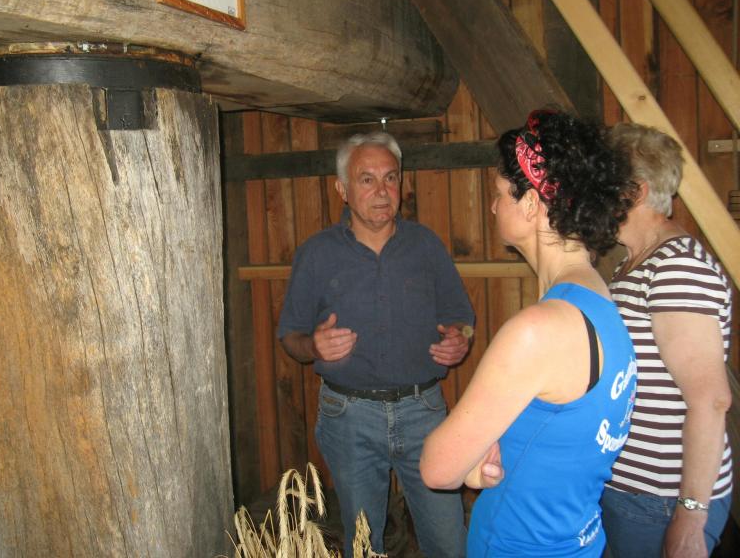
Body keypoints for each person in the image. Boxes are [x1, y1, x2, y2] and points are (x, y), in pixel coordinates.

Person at [420, 110, 638, 557]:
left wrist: (469, 461)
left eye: (500, 193)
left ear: (532, 205)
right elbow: (556, 436)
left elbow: (437, 469)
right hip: (577, 541)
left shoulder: (538, 332)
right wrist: (480, 459)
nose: (493, 206)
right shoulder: (600, 301)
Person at [277, 131, 475, 557]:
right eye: (367, 180)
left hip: (424, 412)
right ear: (342, 189)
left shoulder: (426, 245)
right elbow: (289, 336)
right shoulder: (316, 253)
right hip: (349, 416)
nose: (382, 191)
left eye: (390, 178)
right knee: (364, 544)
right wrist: (314, 346)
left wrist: (460, 339)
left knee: (449, 541)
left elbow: (461, 318)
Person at [600, 123, 733, 558]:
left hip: (660, 495)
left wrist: (691, 516)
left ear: (636, 191)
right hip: (633, 488)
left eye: (602, 182)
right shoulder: (631, 264)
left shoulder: (677, 269)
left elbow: (710, 401)